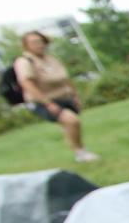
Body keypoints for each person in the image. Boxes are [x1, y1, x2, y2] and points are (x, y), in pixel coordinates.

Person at [13, 30, 99, 163]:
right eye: (34, 42)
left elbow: (65, 78)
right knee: (72, 121)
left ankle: (78, 151)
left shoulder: (51, 59)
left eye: (40, 41)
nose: (39, 45)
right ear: (26, 45)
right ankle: (81, 153)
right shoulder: (24, 61)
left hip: (64, 97)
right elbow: (26, 83)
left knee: (70, 125)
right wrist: (47, 103)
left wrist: (74, 95)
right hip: (42, 101)